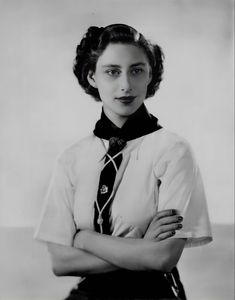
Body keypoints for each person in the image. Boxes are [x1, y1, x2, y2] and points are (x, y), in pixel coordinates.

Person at [34, 24, 212, 300]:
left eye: (137, 70)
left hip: (154, 293)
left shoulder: (174, 150)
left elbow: (163, 257)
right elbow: (61, 262)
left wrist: (84, 239)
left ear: (150, 75)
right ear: (92, 77)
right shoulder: (72, 158)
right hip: (88, 294)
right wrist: (142, 248)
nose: (126, 85)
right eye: (112, 72)